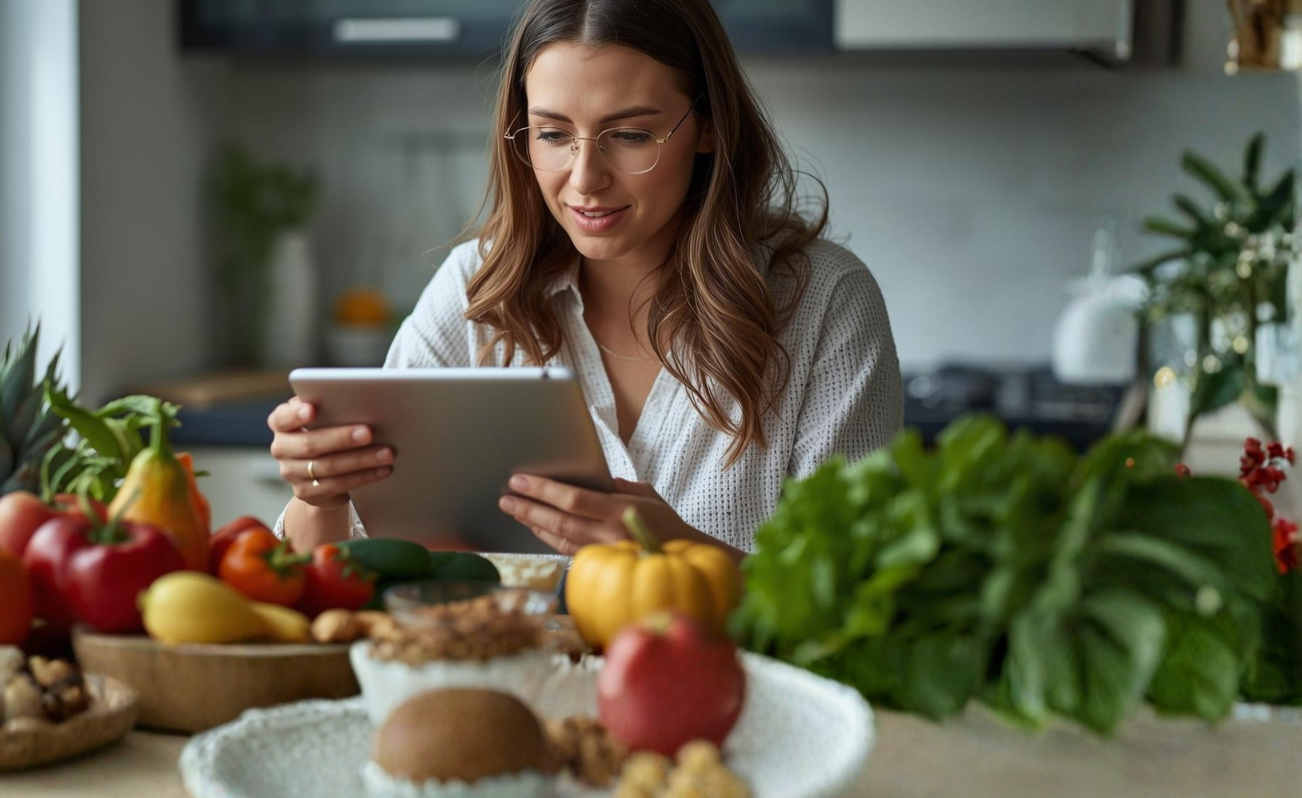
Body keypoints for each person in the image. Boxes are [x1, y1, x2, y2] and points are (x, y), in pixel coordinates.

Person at [268, 0, 902, 562]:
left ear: (709, 125)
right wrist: (322, 493)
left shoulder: (824, 303)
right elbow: (332, 574)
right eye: (552, 134)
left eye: (629, 135)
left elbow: (862, 599)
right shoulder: (476, 290)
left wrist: (685, 558)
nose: (583, 178)